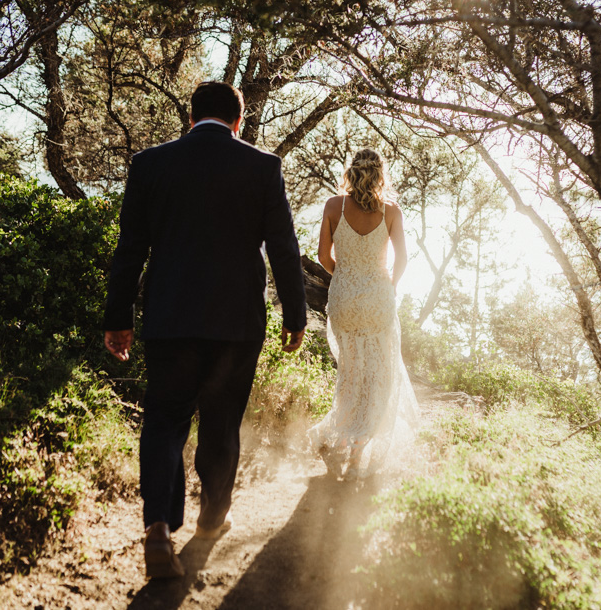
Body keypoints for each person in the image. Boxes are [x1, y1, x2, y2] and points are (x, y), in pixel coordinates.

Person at [102, 81, 307, 579]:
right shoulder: (262, 166)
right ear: (238, 121)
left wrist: (118, 317)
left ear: (191, 118)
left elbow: (130, 247)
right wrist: (295, 315)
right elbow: (283, 246)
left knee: (164, 421)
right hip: (236, 324)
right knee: (220, 423)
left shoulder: (150, 164)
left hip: (170, 318)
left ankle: (157, 527)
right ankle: (212, 517)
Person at [310, 148, 419, 480]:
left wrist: (345, 277)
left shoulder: (332, 206)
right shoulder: (391, 212)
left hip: (343, 298)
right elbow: (401, 260)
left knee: (350, 374)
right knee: (379, 378)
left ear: (352, 171)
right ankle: (357, 451)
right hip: (377, 299)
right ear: (380, 174)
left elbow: (323, 256)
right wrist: (389, 285)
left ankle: (337, 438)